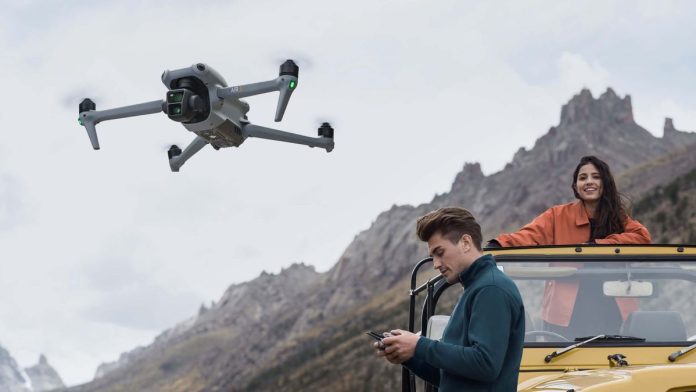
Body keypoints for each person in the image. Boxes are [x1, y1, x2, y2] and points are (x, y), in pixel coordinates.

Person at [491, 155, 651, 337]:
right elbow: (530, 235)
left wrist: (598, 246)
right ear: (575, 187)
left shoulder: (619, 218)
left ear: (605, 182)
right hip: (565, 312)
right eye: (583, 178)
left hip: (611, 309)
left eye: (596, 177)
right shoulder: (557, 216)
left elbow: (642, 238)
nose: (589, 181)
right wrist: (498, 244)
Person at [375, 207, 524, 391]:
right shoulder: (476, 288)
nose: (436, 264)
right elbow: (451, 377)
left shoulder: (490, 288)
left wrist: (419, 345)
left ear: (466, 243)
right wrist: (409, 356)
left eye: (440, 252)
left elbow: (485, 365)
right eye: (433, 257)